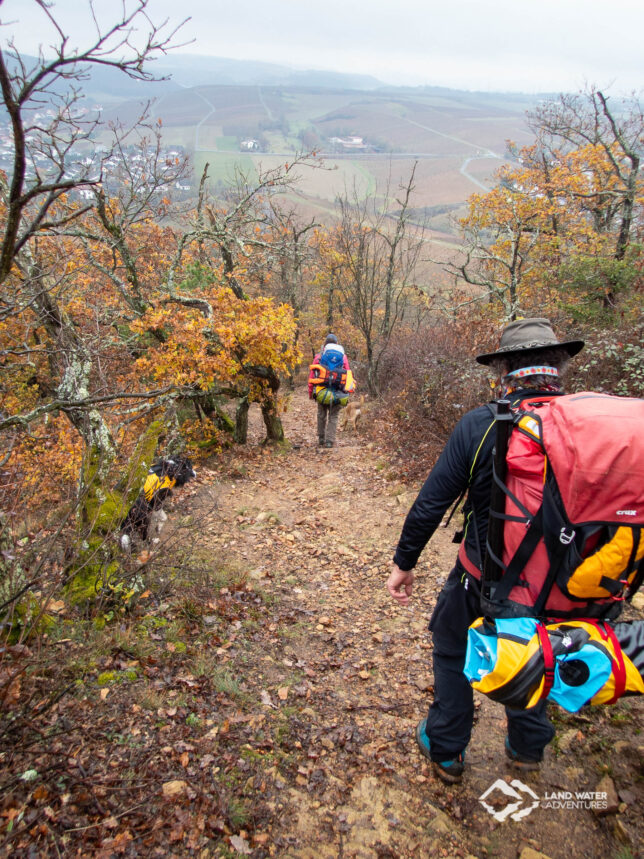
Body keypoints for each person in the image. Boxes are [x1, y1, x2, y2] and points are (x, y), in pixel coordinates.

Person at [386, 318, 585, 784]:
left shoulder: (483, 424)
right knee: (541, 652)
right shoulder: (588, 429)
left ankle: (447, 748)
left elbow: (430, 504)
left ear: (503, 370)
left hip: (482, 576)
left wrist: (404, 563)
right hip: (563, 585)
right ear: (557, 365)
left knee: (452, 647)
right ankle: (526, 749)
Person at [308, 334, 352, 448]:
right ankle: (329, 441)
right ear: (337, 344)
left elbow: (312, 377)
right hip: (338, 392)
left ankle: (321, 438)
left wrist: (311, 393)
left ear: (325, 344)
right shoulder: (343, 357)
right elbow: (348, 375)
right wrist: (347, 392)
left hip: (321, 391)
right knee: (334, 416)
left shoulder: (319, 356)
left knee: (321, 414)